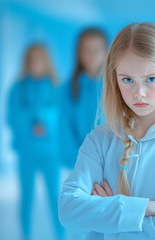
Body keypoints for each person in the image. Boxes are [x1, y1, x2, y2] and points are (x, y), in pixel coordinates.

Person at [58, 22, 155, 239]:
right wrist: (148, 208)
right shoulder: (98, 141)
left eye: (151, 79)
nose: (139, 93)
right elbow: (68, 210)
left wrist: (108, 215)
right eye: (128, 80)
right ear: (115, 78)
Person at [7, 44, 64, 239]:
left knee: (54, 197)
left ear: (47, 62)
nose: (35, 63)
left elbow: (61, 116)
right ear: (26, 62)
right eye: (31, 59)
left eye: (39, 59)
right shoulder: (18, 89)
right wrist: (33, 120)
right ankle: (25, 235)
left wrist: (44, 119)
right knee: (26, 197)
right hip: (27, 151)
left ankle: (60, 235)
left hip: (51, 152)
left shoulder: (57, 88)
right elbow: (12, 117)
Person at [60, 28, 108, 168]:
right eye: (86, 50)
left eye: (96, 50)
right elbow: (65, 130)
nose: (91, 55)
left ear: (106, 51)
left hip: (113, 163)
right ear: (78, 53)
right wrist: (81, 161)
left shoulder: (117, 85)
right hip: (81, 164)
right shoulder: (69, 89)